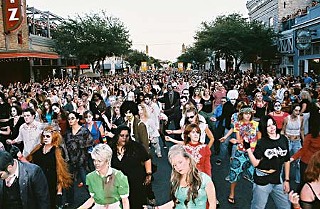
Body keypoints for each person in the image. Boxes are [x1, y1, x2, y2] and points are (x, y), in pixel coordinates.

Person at [246, 115, 291, 209]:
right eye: (268, 126)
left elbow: (287, 160)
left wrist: (287, 180)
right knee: (258, 207)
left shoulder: (283, 139)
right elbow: (255, 163)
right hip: (262, 179)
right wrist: (248, 149)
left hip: (278, 177)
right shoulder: (262, 142)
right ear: (264, 128)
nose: (272, 127)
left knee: (285, 206)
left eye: (273, 124)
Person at [156, 144, 217, 209]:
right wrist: (157, 208)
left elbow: (212, 205)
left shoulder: (205, 180)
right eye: (174, 165)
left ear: (188, 159)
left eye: (180, 162)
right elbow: (176, 202)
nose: (178, 167)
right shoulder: (175, 180)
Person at [27, 125, 72, 209]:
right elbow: (29, 164)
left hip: (51, 184)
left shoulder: (57, 151)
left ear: (54, 137)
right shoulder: (38, 149)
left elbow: (60, 172)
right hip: (37, 182)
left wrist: (59, 191)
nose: (45, 138)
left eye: (48, 136)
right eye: (43, 136)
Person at [110, 125, 153, 209]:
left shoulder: (136, 147)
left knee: (137, 204)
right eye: (122, 136)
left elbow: (147, 159)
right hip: (118, 184)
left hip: (136, 183)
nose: (124, 138)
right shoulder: (110, 148)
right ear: (117, 136)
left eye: (127, 136)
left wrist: (149, 174)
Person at [78, 143, 130, 209]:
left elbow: (125, 201)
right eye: (94, 160)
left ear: (107, 161)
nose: (96, 163)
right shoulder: (90, 177)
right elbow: (93, 199)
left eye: (99, 161)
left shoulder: (119, 176)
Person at [227, 106, 260, 204]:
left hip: (253, 152)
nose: (248, 115)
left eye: (249, 113)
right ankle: (232, 193)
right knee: (235, 172)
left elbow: (259, 138)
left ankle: (257, 195)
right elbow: (239, 139)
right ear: (241, 114)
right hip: (241, 151)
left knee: (255, 175)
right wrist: (237, 141)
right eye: (246, 113)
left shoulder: (256, 124)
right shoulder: (237, 124)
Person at [64, 111, 95, 207]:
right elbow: (65, 145)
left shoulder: (84, 130)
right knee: (69, 182)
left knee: (87, 181)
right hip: (71, 160)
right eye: (69, 119)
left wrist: (79, 144)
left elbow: (90, 141)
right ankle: (69, 202)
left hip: (82, 160)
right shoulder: (68, 133)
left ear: (77, 119)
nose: (70, 121)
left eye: (72, 118)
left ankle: (94, 200)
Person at [281, 104, 304, 184]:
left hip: (297, 141)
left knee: (298, 161)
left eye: (299, 110)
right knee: (284, 159)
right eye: (296, 110)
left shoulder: (300, 118)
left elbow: (301, 130)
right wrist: (284, 137)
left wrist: (303, 141)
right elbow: (283, 130)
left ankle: (298, 180)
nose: (298, 112)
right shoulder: (286, 119)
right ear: (292, 110)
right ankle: (281, 177)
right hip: (288, 140)